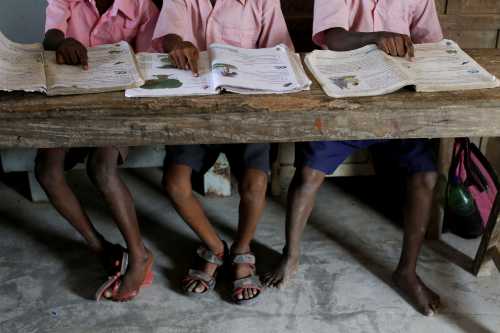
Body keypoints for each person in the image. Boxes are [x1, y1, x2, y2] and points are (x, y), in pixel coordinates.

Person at [264, 0, 444, 316]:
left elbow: (431, 43)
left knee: (426, 174)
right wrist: (373, 37)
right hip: (344, 98)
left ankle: (407, 271)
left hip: (396, 100)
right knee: (308, 174)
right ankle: (290, 254)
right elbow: (331, 36)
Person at [154, 0, 293, 304]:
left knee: (255, 183)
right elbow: (168, 36)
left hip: (248, 109)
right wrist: (178, 44)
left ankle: (242, 248)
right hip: (194, 110)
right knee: (175, 184)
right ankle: (215, 247)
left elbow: (281, 52)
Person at [37, 0, 159, 302]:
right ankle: (100, 247)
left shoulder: (142, 7)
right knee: (47, 172)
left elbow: (148, 62)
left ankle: (139, 253)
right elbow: (50, 35)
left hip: (118, 105)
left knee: (102, 169)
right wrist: (63, 42)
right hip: (70, 100)